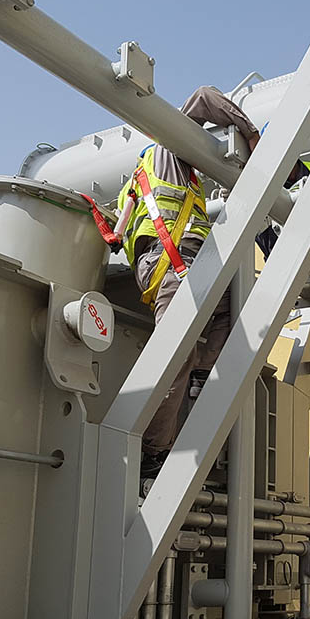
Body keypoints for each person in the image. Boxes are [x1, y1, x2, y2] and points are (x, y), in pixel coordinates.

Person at [111, 85, 260, 481]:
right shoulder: (166, 152)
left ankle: (200, 371)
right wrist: (250, 131)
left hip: (181, 267)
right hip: (175, 266)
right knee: (173, 360)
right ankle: (151, 449)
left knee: (235, 308)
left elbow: (116, 233)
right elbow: (203, 98)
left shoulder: (136, 188)